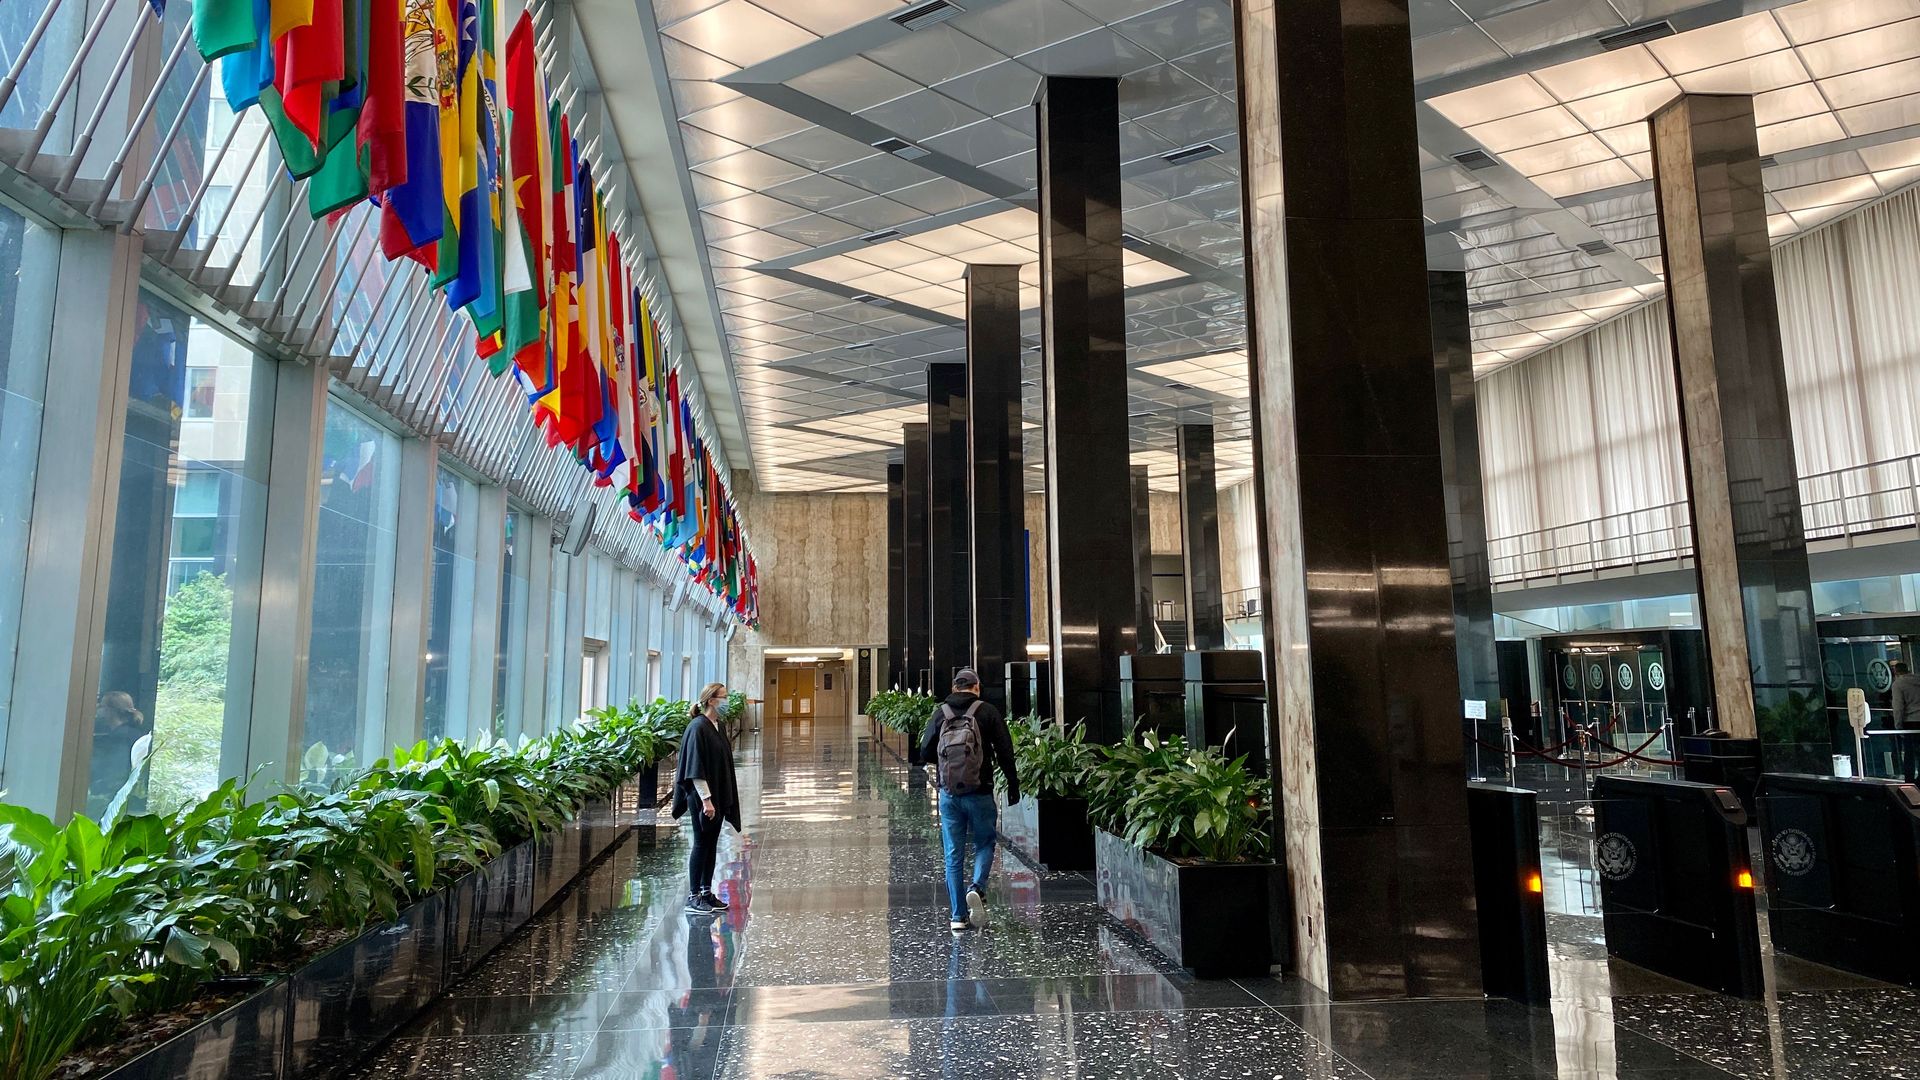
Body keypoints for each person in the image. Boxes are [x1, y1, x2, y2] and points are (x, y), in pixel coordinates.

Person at [918, 668, 1018, 933]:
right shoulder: (987, 712)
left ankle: (957, 917)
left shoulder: (941, 713)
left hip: (949, 794)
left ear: (954, 687)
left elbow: (925, 751)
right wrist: (1013, 784)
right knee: (985, 842)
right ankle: (977, 887)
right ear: (976, 687)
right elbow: (1005, 750)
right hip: (980, 791)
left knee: (953, 854)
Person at [673, 682, 742, 915]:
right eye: (724, 697)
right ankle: (693, 896)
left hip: (717, 796)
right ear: (712, 700)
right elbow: (695, 769)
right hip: (703, 799)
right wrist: (707, 800)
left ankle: (706, 892)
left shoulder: (717, 726)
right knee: (702, 843)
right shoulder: (697, 728)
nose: (727, 701)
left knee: (711, 844)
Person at [1891, 660, 1920, 780]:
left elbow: (1898, 707)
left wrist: (1898, 725)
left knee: (1910, 752)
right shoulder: (1918, 679)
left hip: (1911, 721)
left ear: (1896, 672)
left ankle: (1909, 780)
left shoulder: (1898, 684)